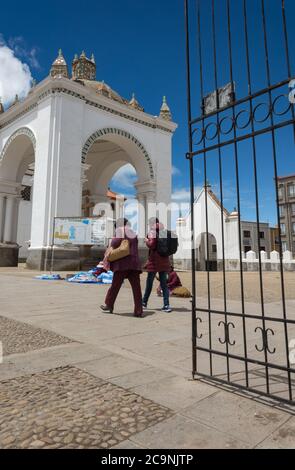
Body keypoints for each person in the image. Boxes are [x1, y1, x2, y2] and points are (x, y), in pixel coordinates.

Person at [100, 218, 143, 317]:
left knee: (115, 285)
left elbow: (114, 243)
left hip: (122, 264)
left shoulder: (121, 231)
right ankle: (138, 311)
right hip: (134, 264)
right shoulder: (133, 233)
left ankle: (109, 305)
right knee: (136, 288)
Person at [142, 217, 172, 312]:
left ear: (151, 224)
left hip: (154, 262)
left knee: (149, 283)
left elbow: (152, 245)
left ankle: (144, 302)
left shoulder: (152, 232)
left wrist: (146, 241)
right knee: (164, 284)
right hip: (164, 261)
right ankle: (166, 305)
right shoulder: (164, 232)